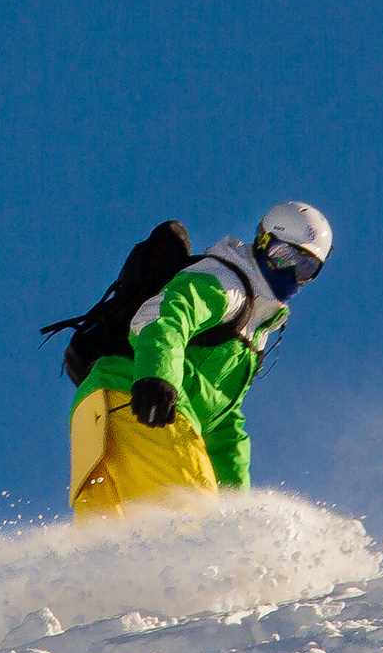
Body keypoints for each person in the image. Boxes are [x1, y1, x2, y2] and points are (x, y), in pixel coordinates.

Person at [68, 202, 332, 520]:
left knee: (108, 542)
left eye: (305, 269)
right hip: (145, 405)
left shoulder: (254, 329)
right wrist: (157, 377)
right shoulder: (228, 284)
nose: (290, 273)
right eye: (283, 257)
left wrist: (238, 511)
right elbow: (164, 314)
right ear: (262, 243)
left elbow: (222, 423)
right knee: (195, 527)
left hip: (99, 408)